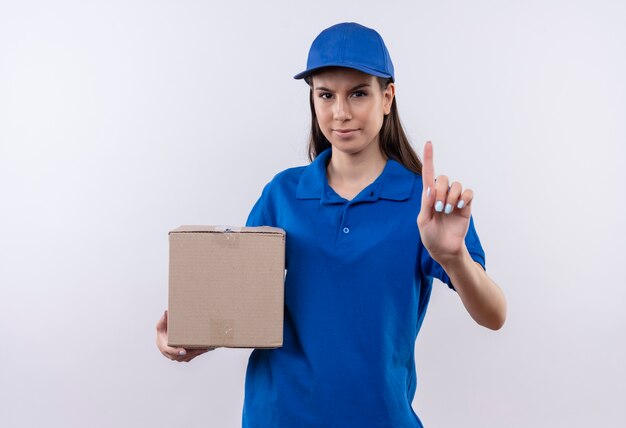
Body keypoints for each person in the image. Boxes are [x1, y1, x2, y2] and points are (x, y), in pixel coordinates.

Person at [156, 22, 506, 427]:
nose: (340, 112)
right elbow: (239, 305)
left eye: (358, 93)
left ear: (387, 97)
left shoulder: (423, 202)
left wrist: (454, 257)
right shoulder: (282, 194)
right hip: (278, 415)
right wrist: (191, 336)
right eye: (326, 95)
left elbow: (494, 315)